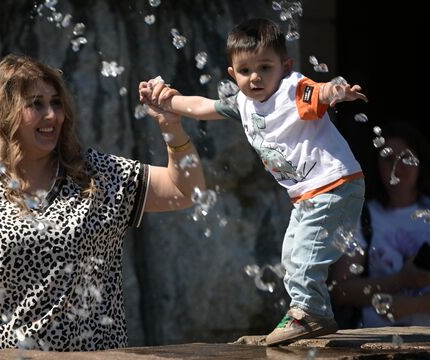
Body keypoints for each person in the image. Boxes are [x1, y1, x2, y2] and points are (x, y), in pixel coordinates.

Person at [0, 54, 206, 352]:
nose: (52, 115)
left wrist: (171, 126)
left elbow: (185, 191)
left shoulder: (98, 175)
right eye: (36, 104)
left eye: (56, 103)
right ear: (4, 111)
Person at [139, 18, 368, 346]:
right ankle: (308, 310)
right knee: (291, 255)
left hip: (335, 184)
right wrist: (168, 102)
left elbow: (320, 91)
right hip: (308, 193)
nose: (256, 77)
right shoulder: (245, 103)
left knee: (303, 254)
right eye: (245, 71)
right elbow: (204, 107)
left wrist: (338, 91)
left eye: (265, 67)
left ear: (285, 66)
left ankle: (311, 313)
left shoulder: (293, 90)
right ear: (233, 74)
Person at [329, 122, 430, 328]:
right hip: (374, 340)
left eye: (406, 158)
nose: (396, 168)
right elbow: (341, 290)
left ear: (421, 162)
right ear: (376, 164)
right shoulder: (363, 217)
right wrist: (402, 280)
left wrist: (410, 305)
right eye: (388, 159)